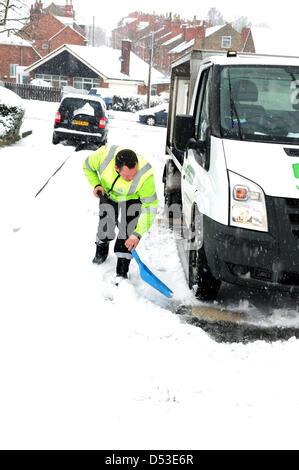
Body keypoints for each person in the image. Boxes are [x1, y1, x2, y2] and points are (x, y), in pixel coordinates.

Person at [83, 144, 159, 279]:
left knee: (128, 232)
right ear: (116, 169)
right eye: (127, 176)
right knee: (106, 227)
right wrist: (96, 184)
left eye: (134, 175)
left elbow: (151, 206)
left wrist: (138, 233)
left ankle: (122, 270)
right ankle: (101, 252)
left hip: (132, 199)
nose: (132, 179)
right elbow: (87, 166)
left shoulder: (145, 175)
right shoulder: (103, 157)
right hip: (108, 195)